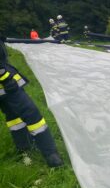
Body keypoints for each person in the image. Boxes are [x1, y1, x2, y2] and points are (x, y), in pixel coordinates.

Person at [0, 35, 63, 167]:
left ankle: (24, 148)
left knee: (13, 116)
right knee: (32, 114)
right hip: (6, 85)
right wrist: (6, 78)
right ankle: (51, 154)